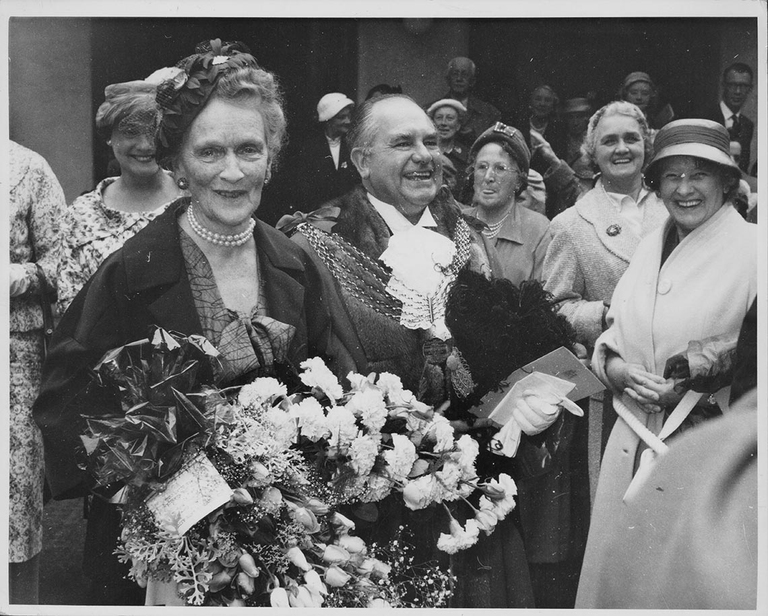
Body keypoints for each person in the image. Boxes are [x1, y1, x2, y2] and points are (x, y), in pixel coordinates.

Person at [33, 39, 349, 606]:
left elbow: (334, 389)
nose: (232, 171)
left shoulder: (297, 264)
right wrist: (151, 477)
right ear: (176, 163)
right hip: (158, 554)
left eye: (249, 150)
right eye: (210, 153)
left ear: (271, 157)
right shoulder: (130, 271)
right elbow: (61, 401)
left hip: (278, 550)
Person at [576, 118, 757, 608]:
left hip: (703, 447)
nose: (684, 189)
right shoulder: (654, 242)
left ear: (726, 181)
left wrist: (687, 386)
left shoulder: (755, 252)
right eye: (670, 177)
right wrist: (614, 370)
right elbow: (617, 330)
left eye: (699, 174)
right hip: (632, 437)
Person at [543, 101, 668, 497]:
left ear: (647, 146)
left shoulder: (678, 209)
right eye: (609, 141)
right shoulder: (571, 224)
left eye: (631, 138)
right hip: (615, 387)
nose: (622, 149)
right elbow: (555, 308)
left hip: (678, 380)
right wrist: (607, 312)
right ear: (590, 152)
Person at [57, 78, 182, 315]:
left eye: (154, 131)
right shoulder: (82, 214)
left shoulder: (190, 200)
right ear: (108, 135)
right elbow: (70, 310)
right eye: (131, 132)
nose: (145, 144)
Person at [8, 140, 66, 604]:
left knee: (14, 502)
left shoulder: (28, 167)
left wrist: (19, 276)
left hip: (12, 359)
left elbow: (61, 263)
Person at [461, 122, 551, 285]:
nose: (488, 176)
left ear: (518, 181)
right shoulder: (458, 222)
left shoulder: (539, 230)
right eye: (482, 167)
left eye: (500, 168)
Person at [432, 56, 501, 145]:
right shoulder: (430, 110)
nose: (459, 79)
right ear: (448, 80)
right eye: (455, 74)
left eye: (464, 74)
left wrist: (475, 137)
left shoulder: (490, 113)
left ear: (472, 81)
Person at [703, 63, 754, 173]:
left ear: (750, 89)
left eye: (744, 86)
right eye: (732, 85)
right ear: (723, 85)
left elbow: (743, 167)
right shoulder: (705, 118)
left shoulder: (747, 125)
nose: (738, 91)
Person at [426, 98, 469, 200]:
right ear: (432, 124)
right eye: (439, 118)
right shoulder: (423, 153)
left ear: (458, 125)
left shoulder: (466, 156)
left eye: (450, 118)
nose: (443, 123)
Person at [521, 85, 566, 159]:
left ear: (552, 105)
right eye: (538, 99)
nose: (542, 104)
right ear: (530, 102)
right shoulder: (519, 125)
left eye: (547, 100)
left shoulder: (558, 131)